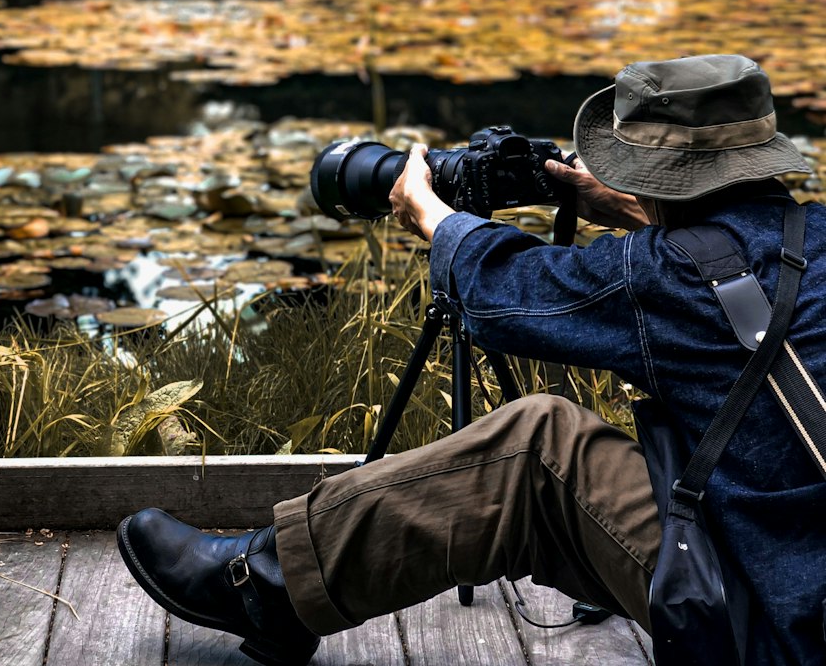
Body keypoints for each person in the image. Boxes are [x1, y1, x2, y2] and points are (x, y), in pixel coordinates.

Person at [116, 54, 825, 666]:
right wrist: (642, 211)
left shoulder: (664, 278)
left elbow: (499, 290)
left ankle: (265, 584)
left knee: (536, 448)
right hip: (800, 568)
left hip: (775, 626)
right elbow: (732, 265)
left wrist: (430, 210)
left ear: (655, 172)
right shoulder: (810, 235)